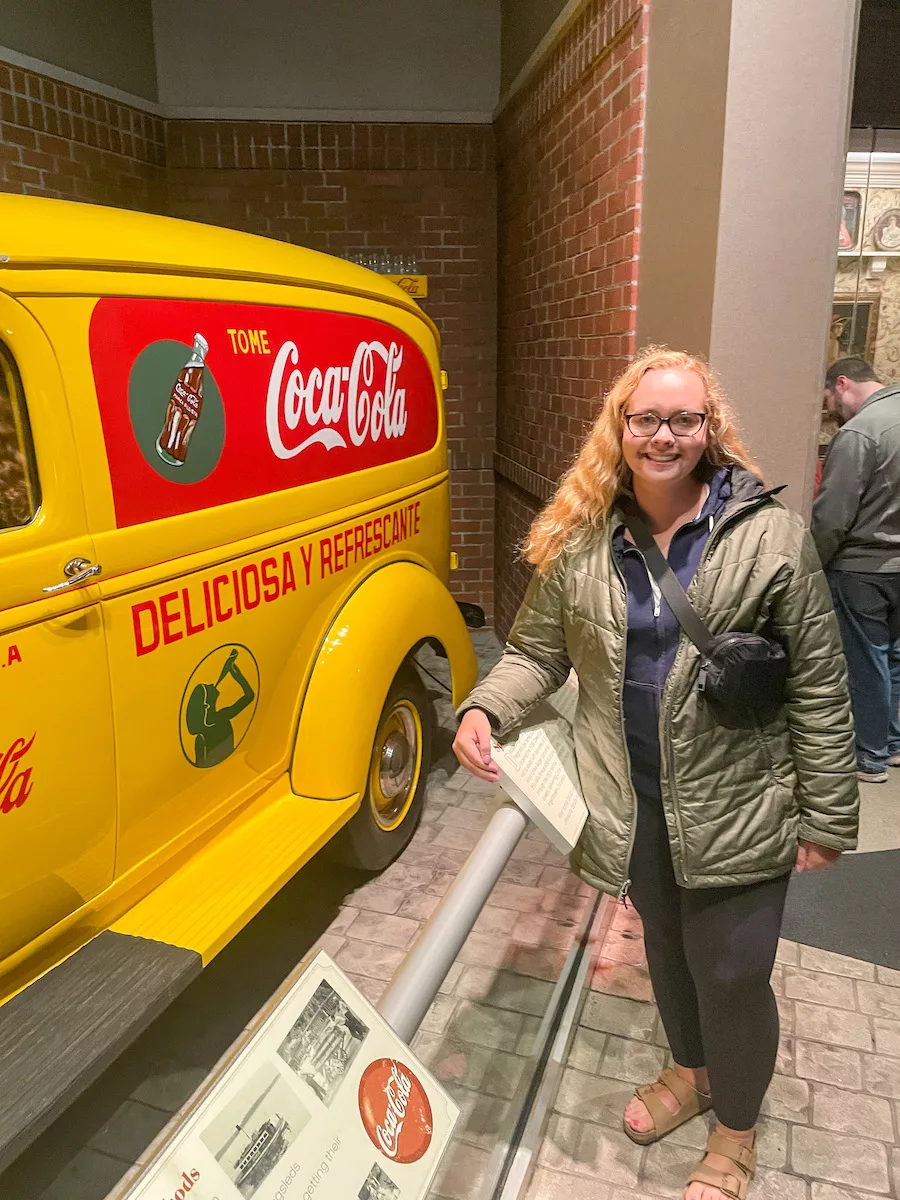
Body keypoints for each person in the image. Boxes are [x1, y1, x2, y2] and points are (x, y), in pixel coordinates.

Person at [454, 347, 858, 1200]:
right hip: (630, 802)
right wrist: (486, 708)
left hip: (739, 802)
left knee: (734, 973)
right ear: (620, 429)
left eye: (683, 418)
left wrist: (826, 812)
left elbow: (820, 681)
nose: (664, 435)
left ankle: (735, 1136)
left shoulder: (769, 538)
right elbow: (533, 651)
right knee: (669, 954)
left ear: (710, 430)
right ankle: (691, 1069)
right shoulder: (581, 543)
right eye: (647, 419)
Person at [812, 356, 900, 783]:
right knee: (895, 657)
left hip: (864, 567)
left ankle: (870, 755)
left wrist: (813, 565)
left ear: (842, 384)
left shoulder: (861, 432)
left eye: (830, 400)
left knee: (865, 659)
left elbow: (832, 516)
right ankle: (894, 742)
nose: (833, 411)